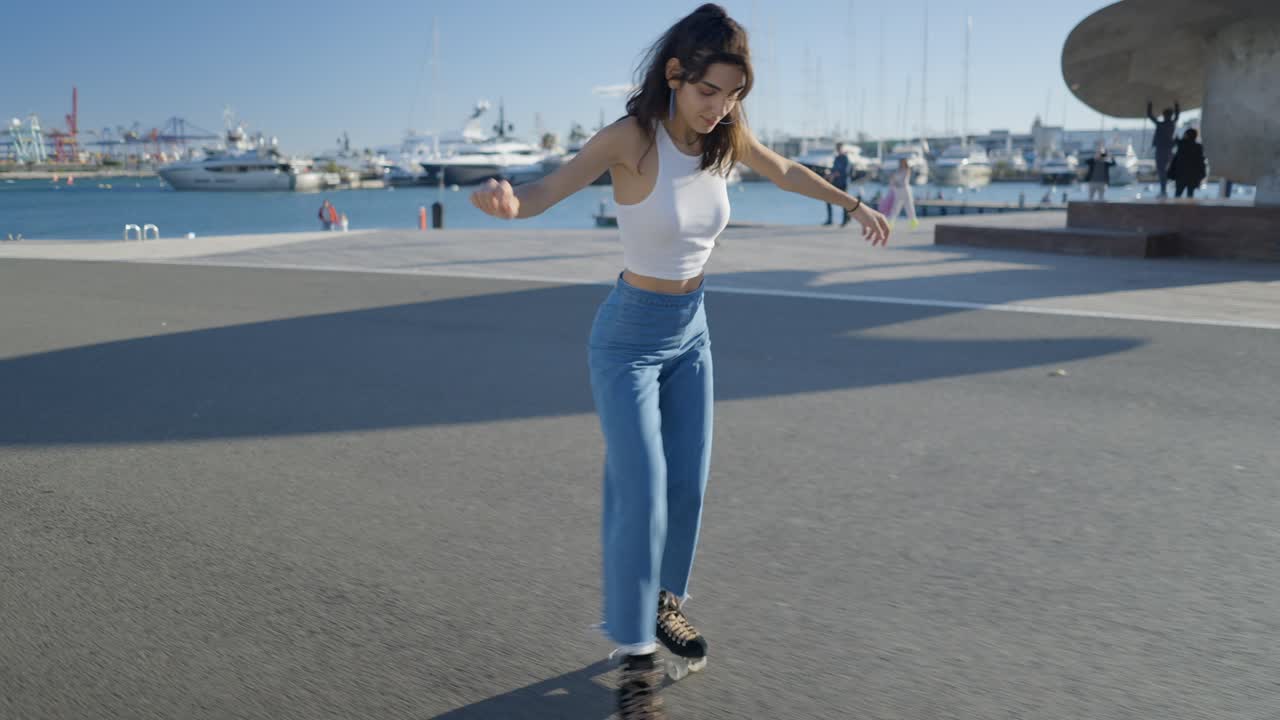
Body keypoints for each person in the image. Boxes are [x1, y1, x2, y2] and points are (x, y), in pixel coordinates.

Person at [469, 5, 889, 717]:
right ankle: (636, 662)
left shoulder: (725, 138)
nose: (719, 107)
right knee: (642, 490)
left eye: (733, 95)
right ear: (674, 74)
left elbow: (785, 170)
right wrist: (510, 203)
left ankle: (662, 601)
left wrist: (852, 203)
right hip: (628, 339)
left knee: (688, 485)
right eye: (707, 91)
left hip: (692, 331)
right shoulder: (631, 138)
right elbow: (546, 190)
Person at [1147, 100, 1181, 198]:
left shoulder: (1160, 124)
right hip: (1169, 150)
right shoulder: (1172, 123)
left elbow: (1150, 115)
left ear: (1164, 115)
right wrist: (1177, 105)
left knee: (1161, 171)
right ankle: (1165, 190)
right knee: (1166, 171)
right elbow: (1177, 117)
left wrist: (1149, 104)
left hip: (1161, 150)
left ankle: (1163, 190)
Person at [1168, 128, 1207, 199]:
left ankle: (1175, 206)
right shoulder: (1198, 147)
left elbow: (1176, 141)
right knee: (1190, 195)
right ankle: (1189, 206)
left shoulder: (1182, 145)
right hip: (1193, 175)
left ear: (1187, 135)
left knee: (1178, 194)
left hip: (1181, 174)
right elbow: (1201, 162)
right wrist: (1202, 173)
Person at [823, 142, 852, 226]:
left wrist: (834, 174)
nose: (838, 149)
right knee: (828, 199)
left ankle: (845, 219)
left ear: (842, 148)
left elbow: (845, 171)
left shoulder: (845, 158)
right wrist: (829, 174)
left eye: (839, 148)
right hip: (836, 183)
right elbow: (834, 169)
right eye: (837, 148)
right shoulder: (836, 158)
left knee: (844, 201)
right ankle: (830, 219)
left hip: (843, 183)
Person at [885, 158, 918, 229]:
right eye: (901, 162)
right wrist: (893, 184)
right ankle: (891, 222)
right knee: (896, 207)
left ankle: (913, 222)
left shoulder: (907, 170)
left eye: (903, 162)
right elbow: (892, 181)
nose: (902, 164)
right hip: (898, 191)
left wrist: (897, 183)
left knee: (909, 207)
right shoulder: (898, 171)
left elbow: (905, 180)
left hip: (905, 190)